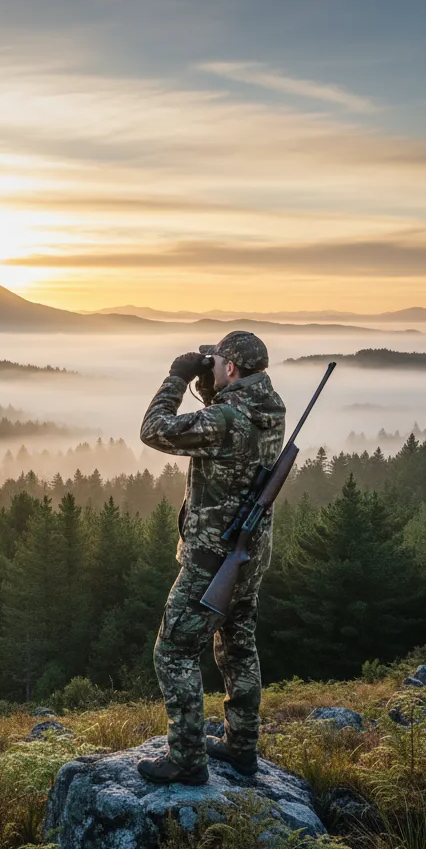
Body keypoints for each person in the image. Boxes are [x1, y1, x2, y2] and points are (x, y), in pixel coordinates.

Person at [136, 331, 286, 784]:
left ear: (233, 369)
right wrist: (210, 379)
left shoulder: (226, 420)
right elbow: (221, 420)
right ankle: (242, 748)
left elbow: (155, 430)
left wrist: (177, 378)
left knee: (174, 650)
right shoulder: (270, 408)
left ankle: (186, 759)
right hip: (250, 554)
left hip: (212, 558)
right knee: (238, 647)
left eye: (218, 361)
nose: (212, 365)